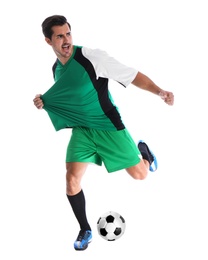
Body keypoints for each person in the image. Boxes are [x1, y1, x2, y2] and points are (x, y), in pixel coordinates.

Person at [33, 15, 174, 251]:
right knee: (71, 180)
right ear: (49, 41)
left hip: (108, 126)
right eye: (59, 36)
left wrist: (159, 91)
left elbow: (132, 75)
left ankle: (144, 154)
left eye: (68, 34)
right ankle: (85, 229)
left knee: (140, 175)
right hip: (83, 131)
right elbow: (67, 99)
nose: (66, 40)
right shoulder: (56, 69)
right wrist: (43, 102)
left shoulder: (91, 57)